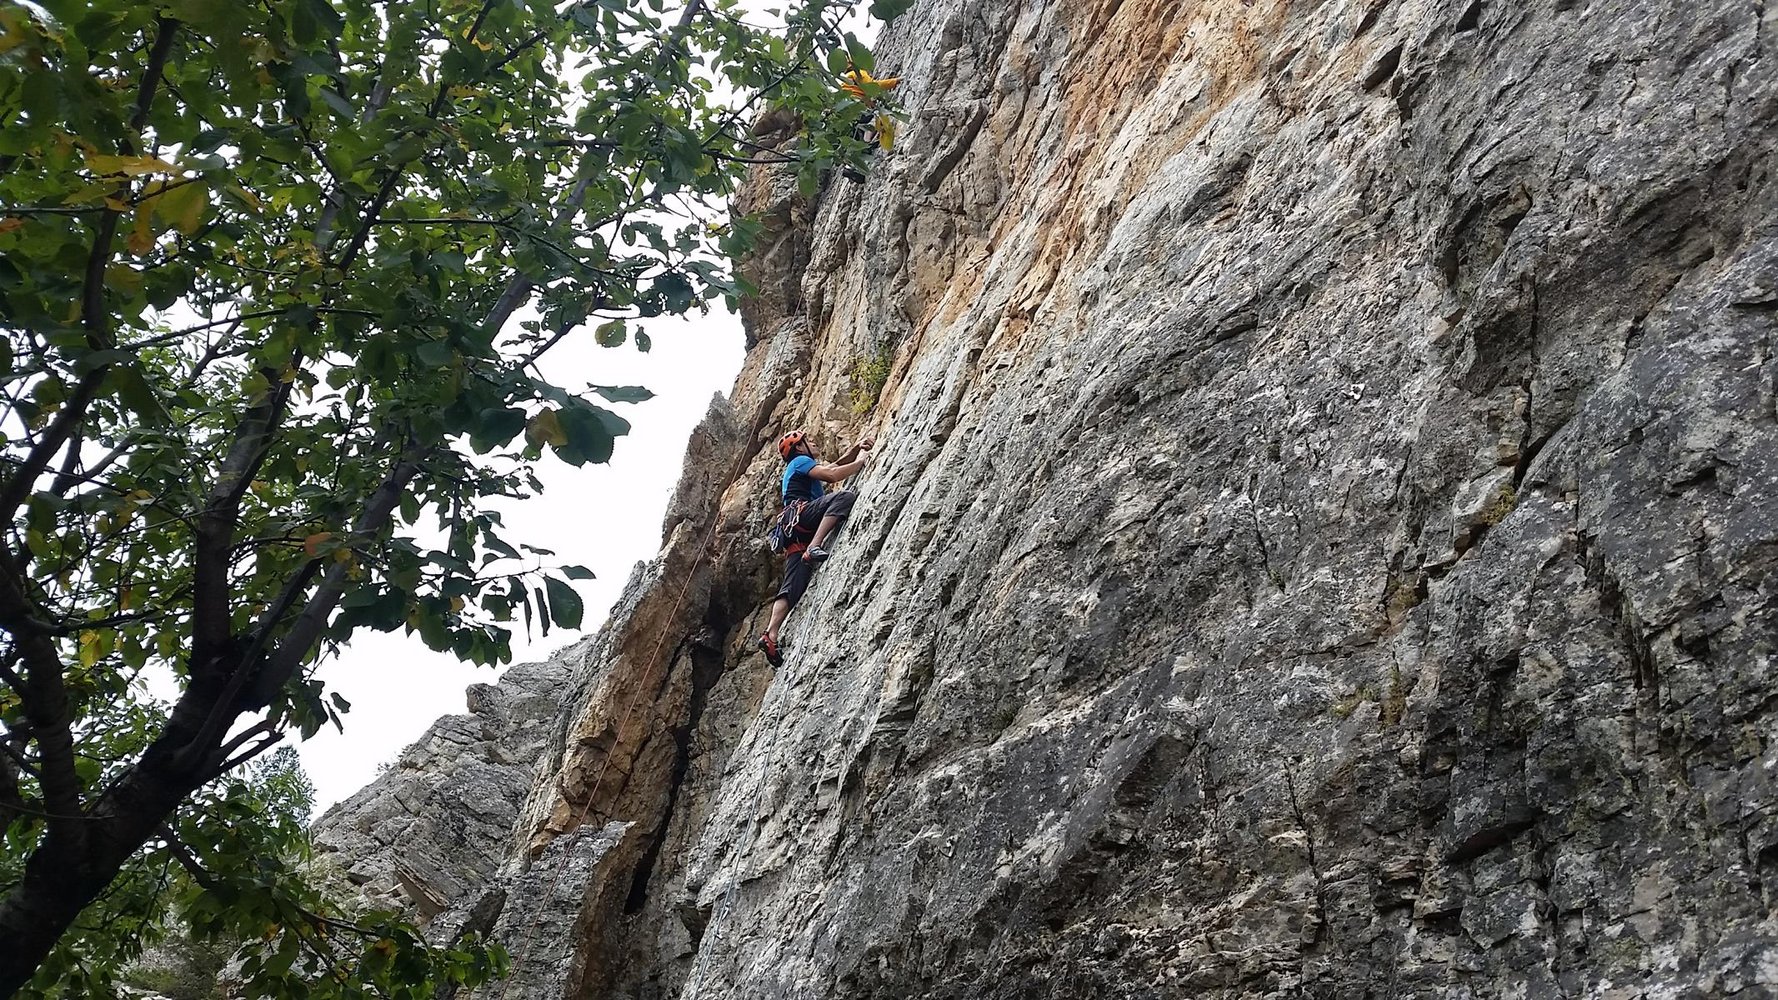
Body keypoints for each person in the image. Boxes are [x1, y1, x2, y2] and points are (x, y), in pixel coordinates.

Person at [757, 430, 874, 667]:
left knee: (792, 586)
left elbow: (832, 466)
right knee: (843, 498)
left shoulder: (800, 467)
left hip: (793, 532)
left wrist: (855, 449)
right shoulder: (800, 461)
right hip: (803, 516)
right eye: (808, 441)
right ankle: (815, 546)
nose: (813, 443)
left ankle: (770, 634)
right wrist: (861, 461)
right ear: (800, 448)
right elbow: (831, 475)